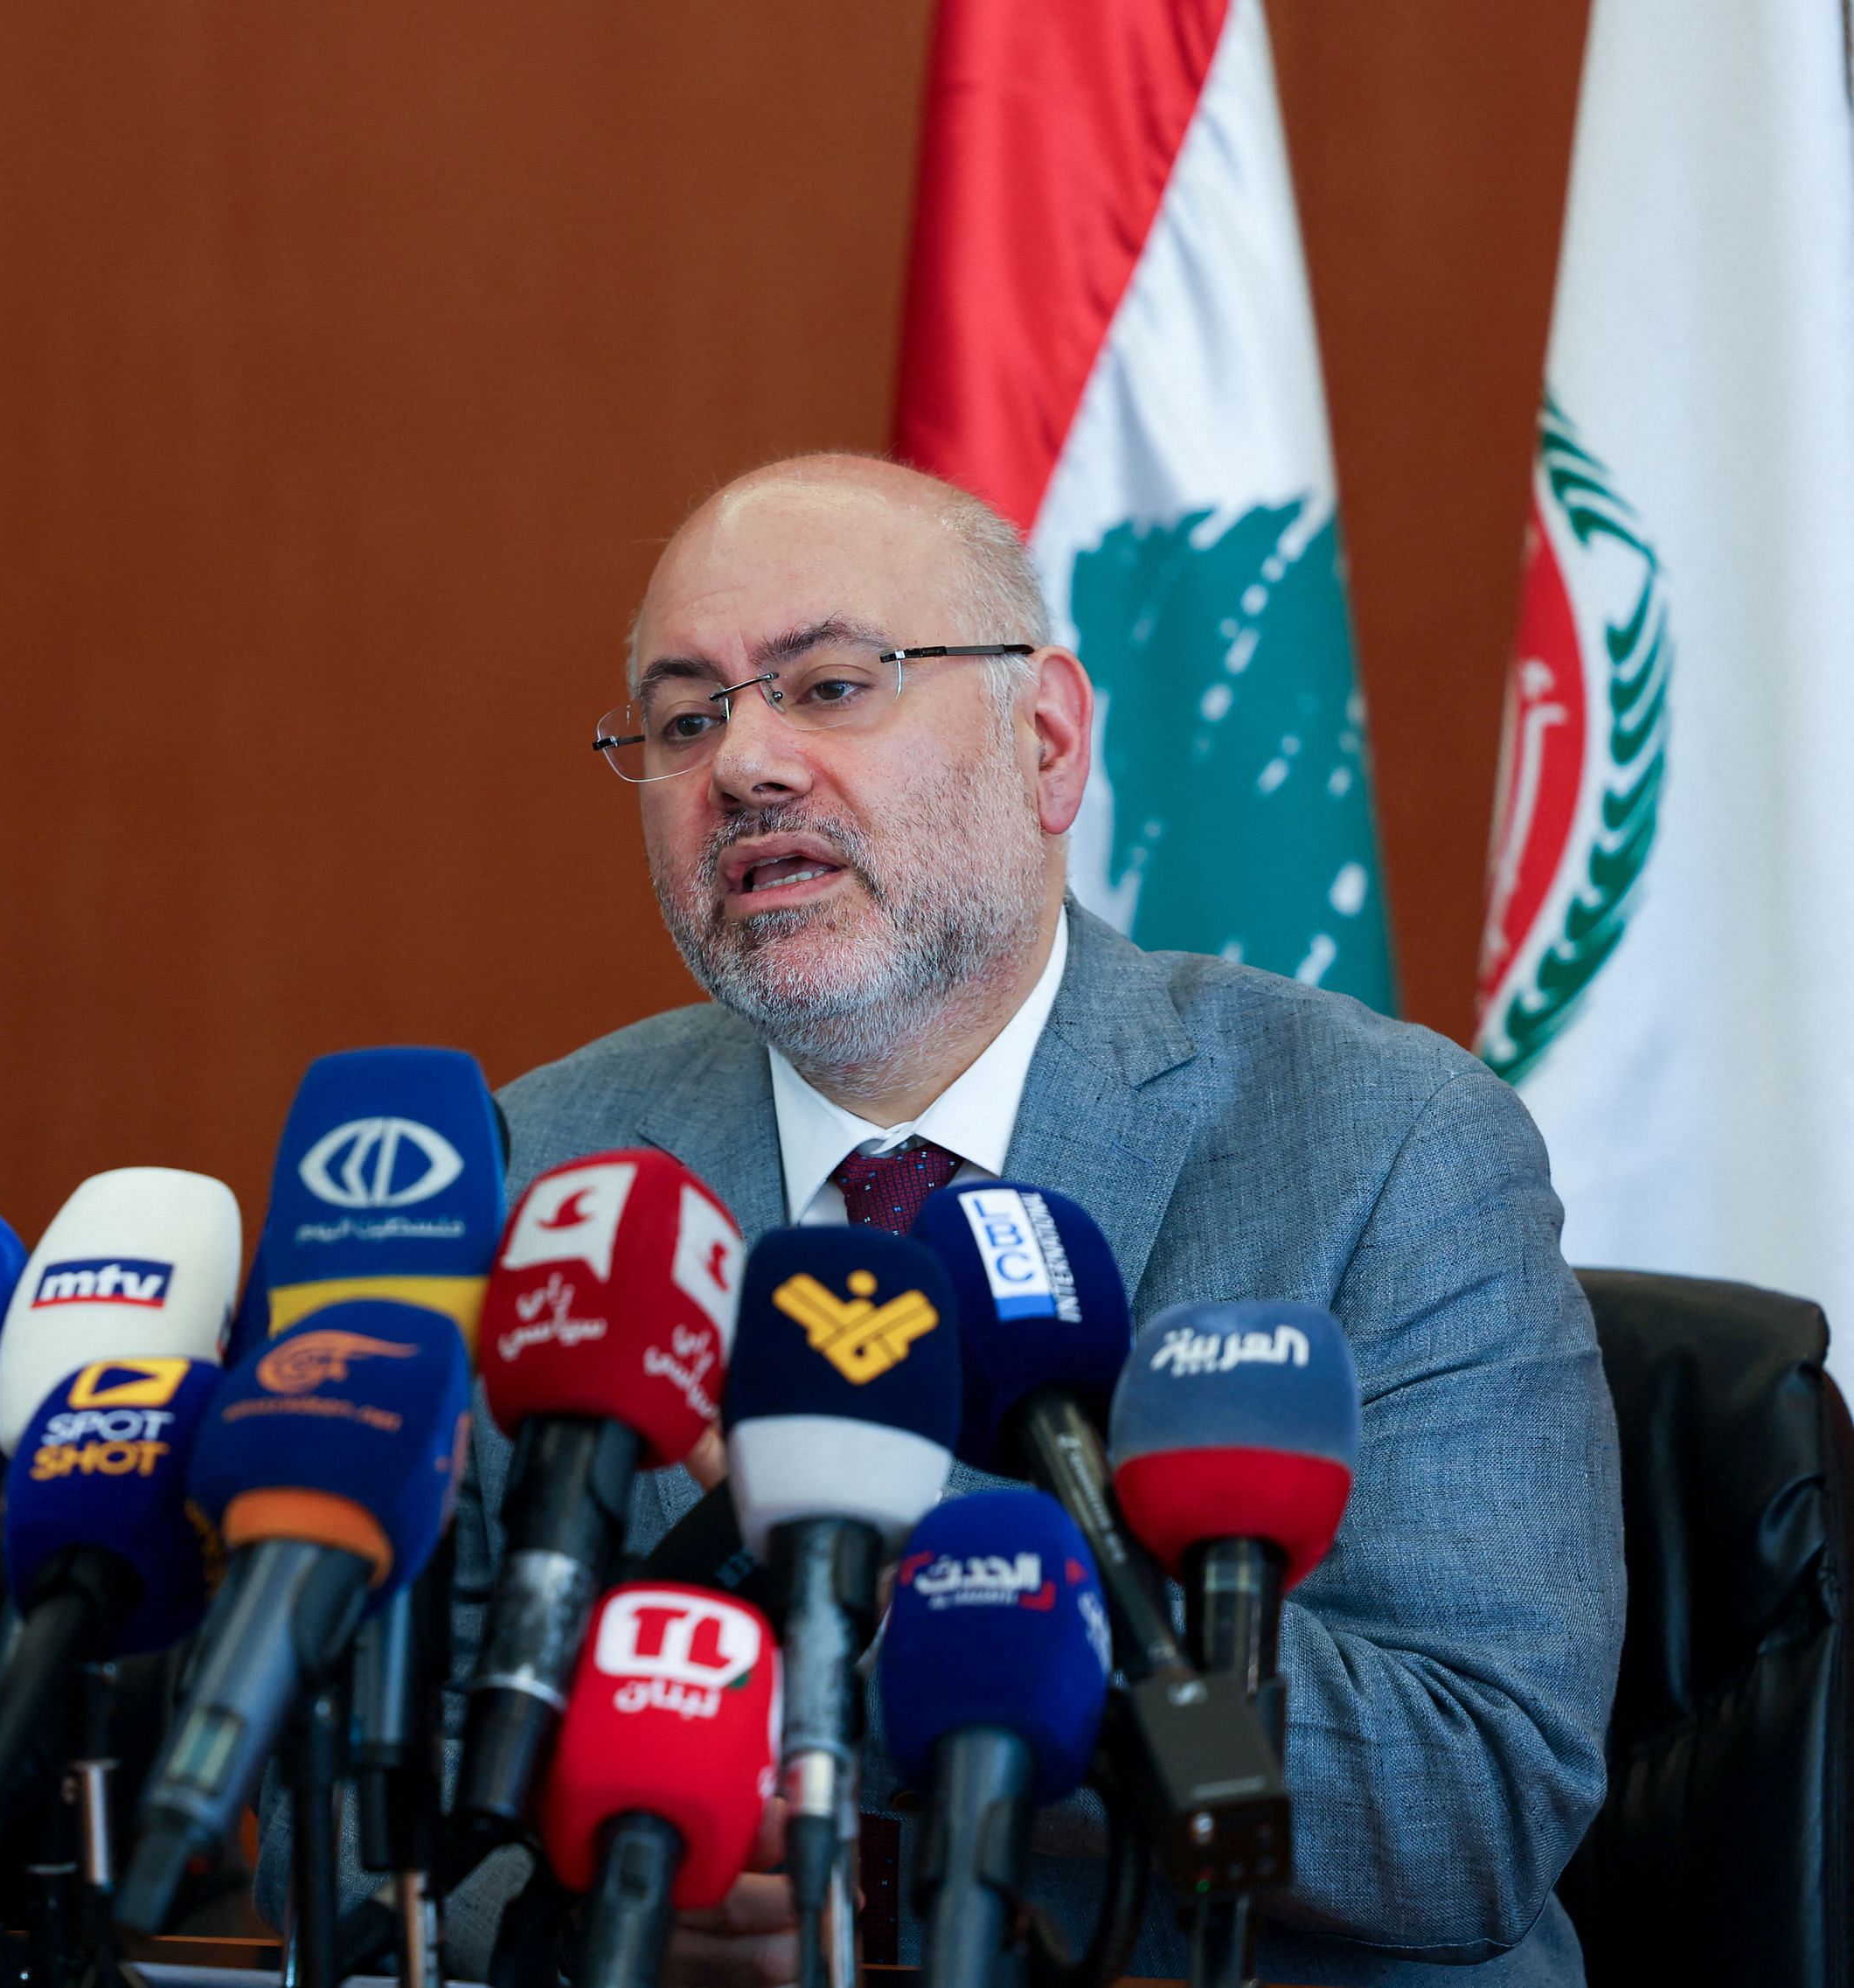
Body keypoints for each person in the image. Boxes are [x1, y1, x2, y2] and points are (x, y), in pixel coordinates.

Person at [460, 456, 1623, 1985]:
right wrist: (590, 1908)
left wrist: (910, 1543)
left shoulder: (1385, 1141)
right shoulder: (544, 1175)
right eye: (685, 717)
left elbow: (1472, 1798)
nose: (744, 762)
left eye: (828, 684)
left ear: (1050, 742)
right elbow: (371, 1800)